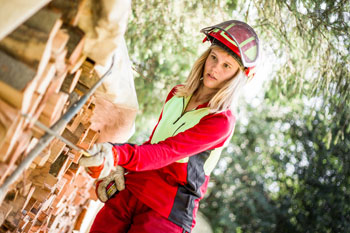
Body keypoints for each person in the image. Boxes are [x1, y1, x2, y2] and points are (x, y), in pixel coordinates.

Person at [79, 20, 260, 233]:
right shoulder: (177, 94)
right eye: (213, 57)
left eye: (226, 66)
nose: (214, 68)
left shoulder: (221, 121)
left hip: (166, 213)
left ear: (237, 77)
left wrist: (118, 155)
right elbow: (155, 143)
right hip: (132, 190)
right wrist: (122, 168)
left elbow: (169, 151)